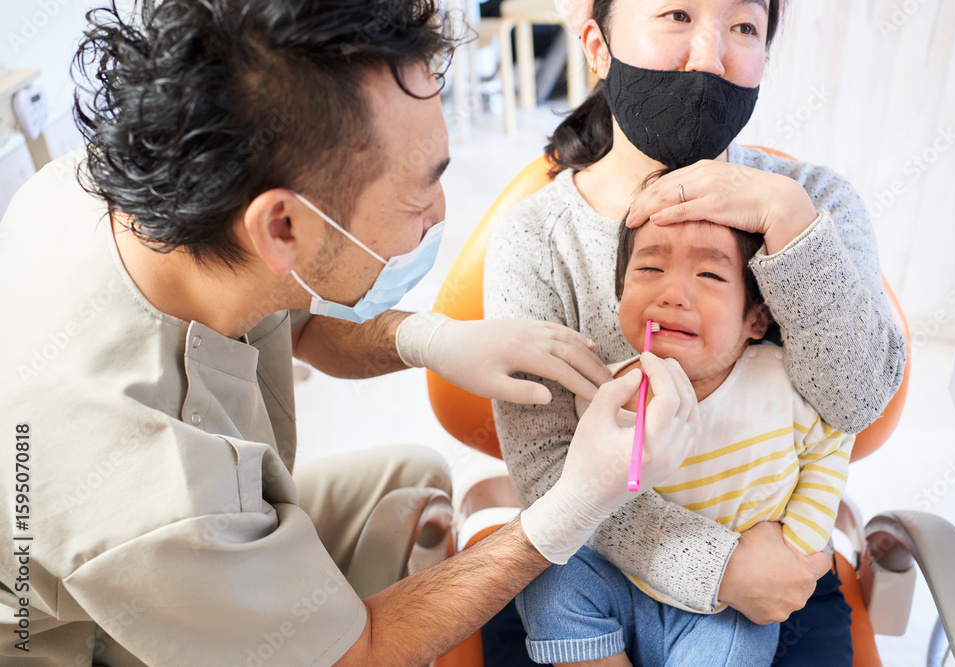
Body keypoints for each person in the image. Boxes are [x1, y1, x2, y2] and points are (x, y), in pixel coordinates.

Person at [0, 1, 705, 664]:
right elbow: (358, 652)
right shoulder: (159, 493)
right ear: (283, 227)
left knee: (414, 485)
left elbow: (296, 316)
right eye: (417, 193)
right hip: (83, 635)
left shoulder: (130, 193)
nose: (441, 212)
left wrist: (428, 338)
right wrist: (574, 505)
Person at [483, 0, 907, 663]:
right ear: (597, 45)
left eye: (744, 27)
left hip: (773, 584)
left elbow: (854, 402)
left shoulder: (816, 203)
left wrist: (787, 222)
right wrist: (720, 568)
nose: (709, 56)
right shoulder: (535, 237)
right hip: (592, 560)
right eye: (677, 14)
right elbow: (546, 469)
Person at [514, 213, 855, 665]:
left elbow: (832, 443)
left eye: (710, 274)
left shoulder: (781, 385)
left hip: (731, 610)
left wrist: (795, 547)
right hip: (622, 581)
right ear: (621, 294)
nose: (672, 293)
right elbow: (578, 505)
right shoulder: (600, 396)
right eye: (650, 269)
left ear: (757, 319)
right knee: (545, 577)